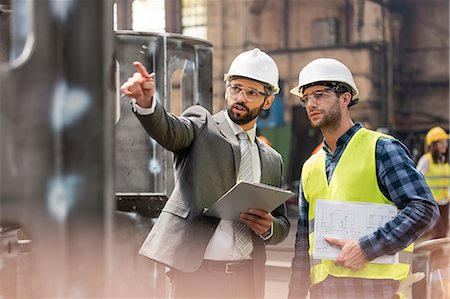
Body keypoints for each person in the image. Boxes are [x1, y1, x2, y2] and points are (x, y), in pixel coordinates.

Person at [120, 48, 290, 299]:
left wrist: (268, 228)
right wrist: (147, 104)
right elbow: (170, 131)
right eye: (235, 87)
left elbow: (282, 223)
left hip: (247, 279)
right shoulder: (202, 125)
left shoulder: (272, 159)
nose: (239, 97)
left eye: (251, 92)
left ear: (268, 100)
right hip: (197, 276)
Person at [287, 58, 440, 299]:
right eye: (305, 98)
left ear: (345, 98)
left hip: (375, 291)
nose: (310, 104)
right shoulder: (310, 167)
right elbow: (302, 245)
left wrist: (366, 248)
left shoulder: (381, 149)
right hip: (323, 292)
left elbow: (424, 209)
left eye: (319, 94)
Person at [417, 126, 450, 238]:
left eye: (445, 142)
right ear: (433, 145)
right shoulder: (426, 160)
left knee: (443, 233)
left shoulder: (443, 161)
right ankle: (433, 254)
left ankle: (438, 255)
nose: (445, 145)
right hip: (433, 203)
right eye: (441, 142)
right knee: (435, 233)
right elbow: (417, 179)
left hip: (445, 202)